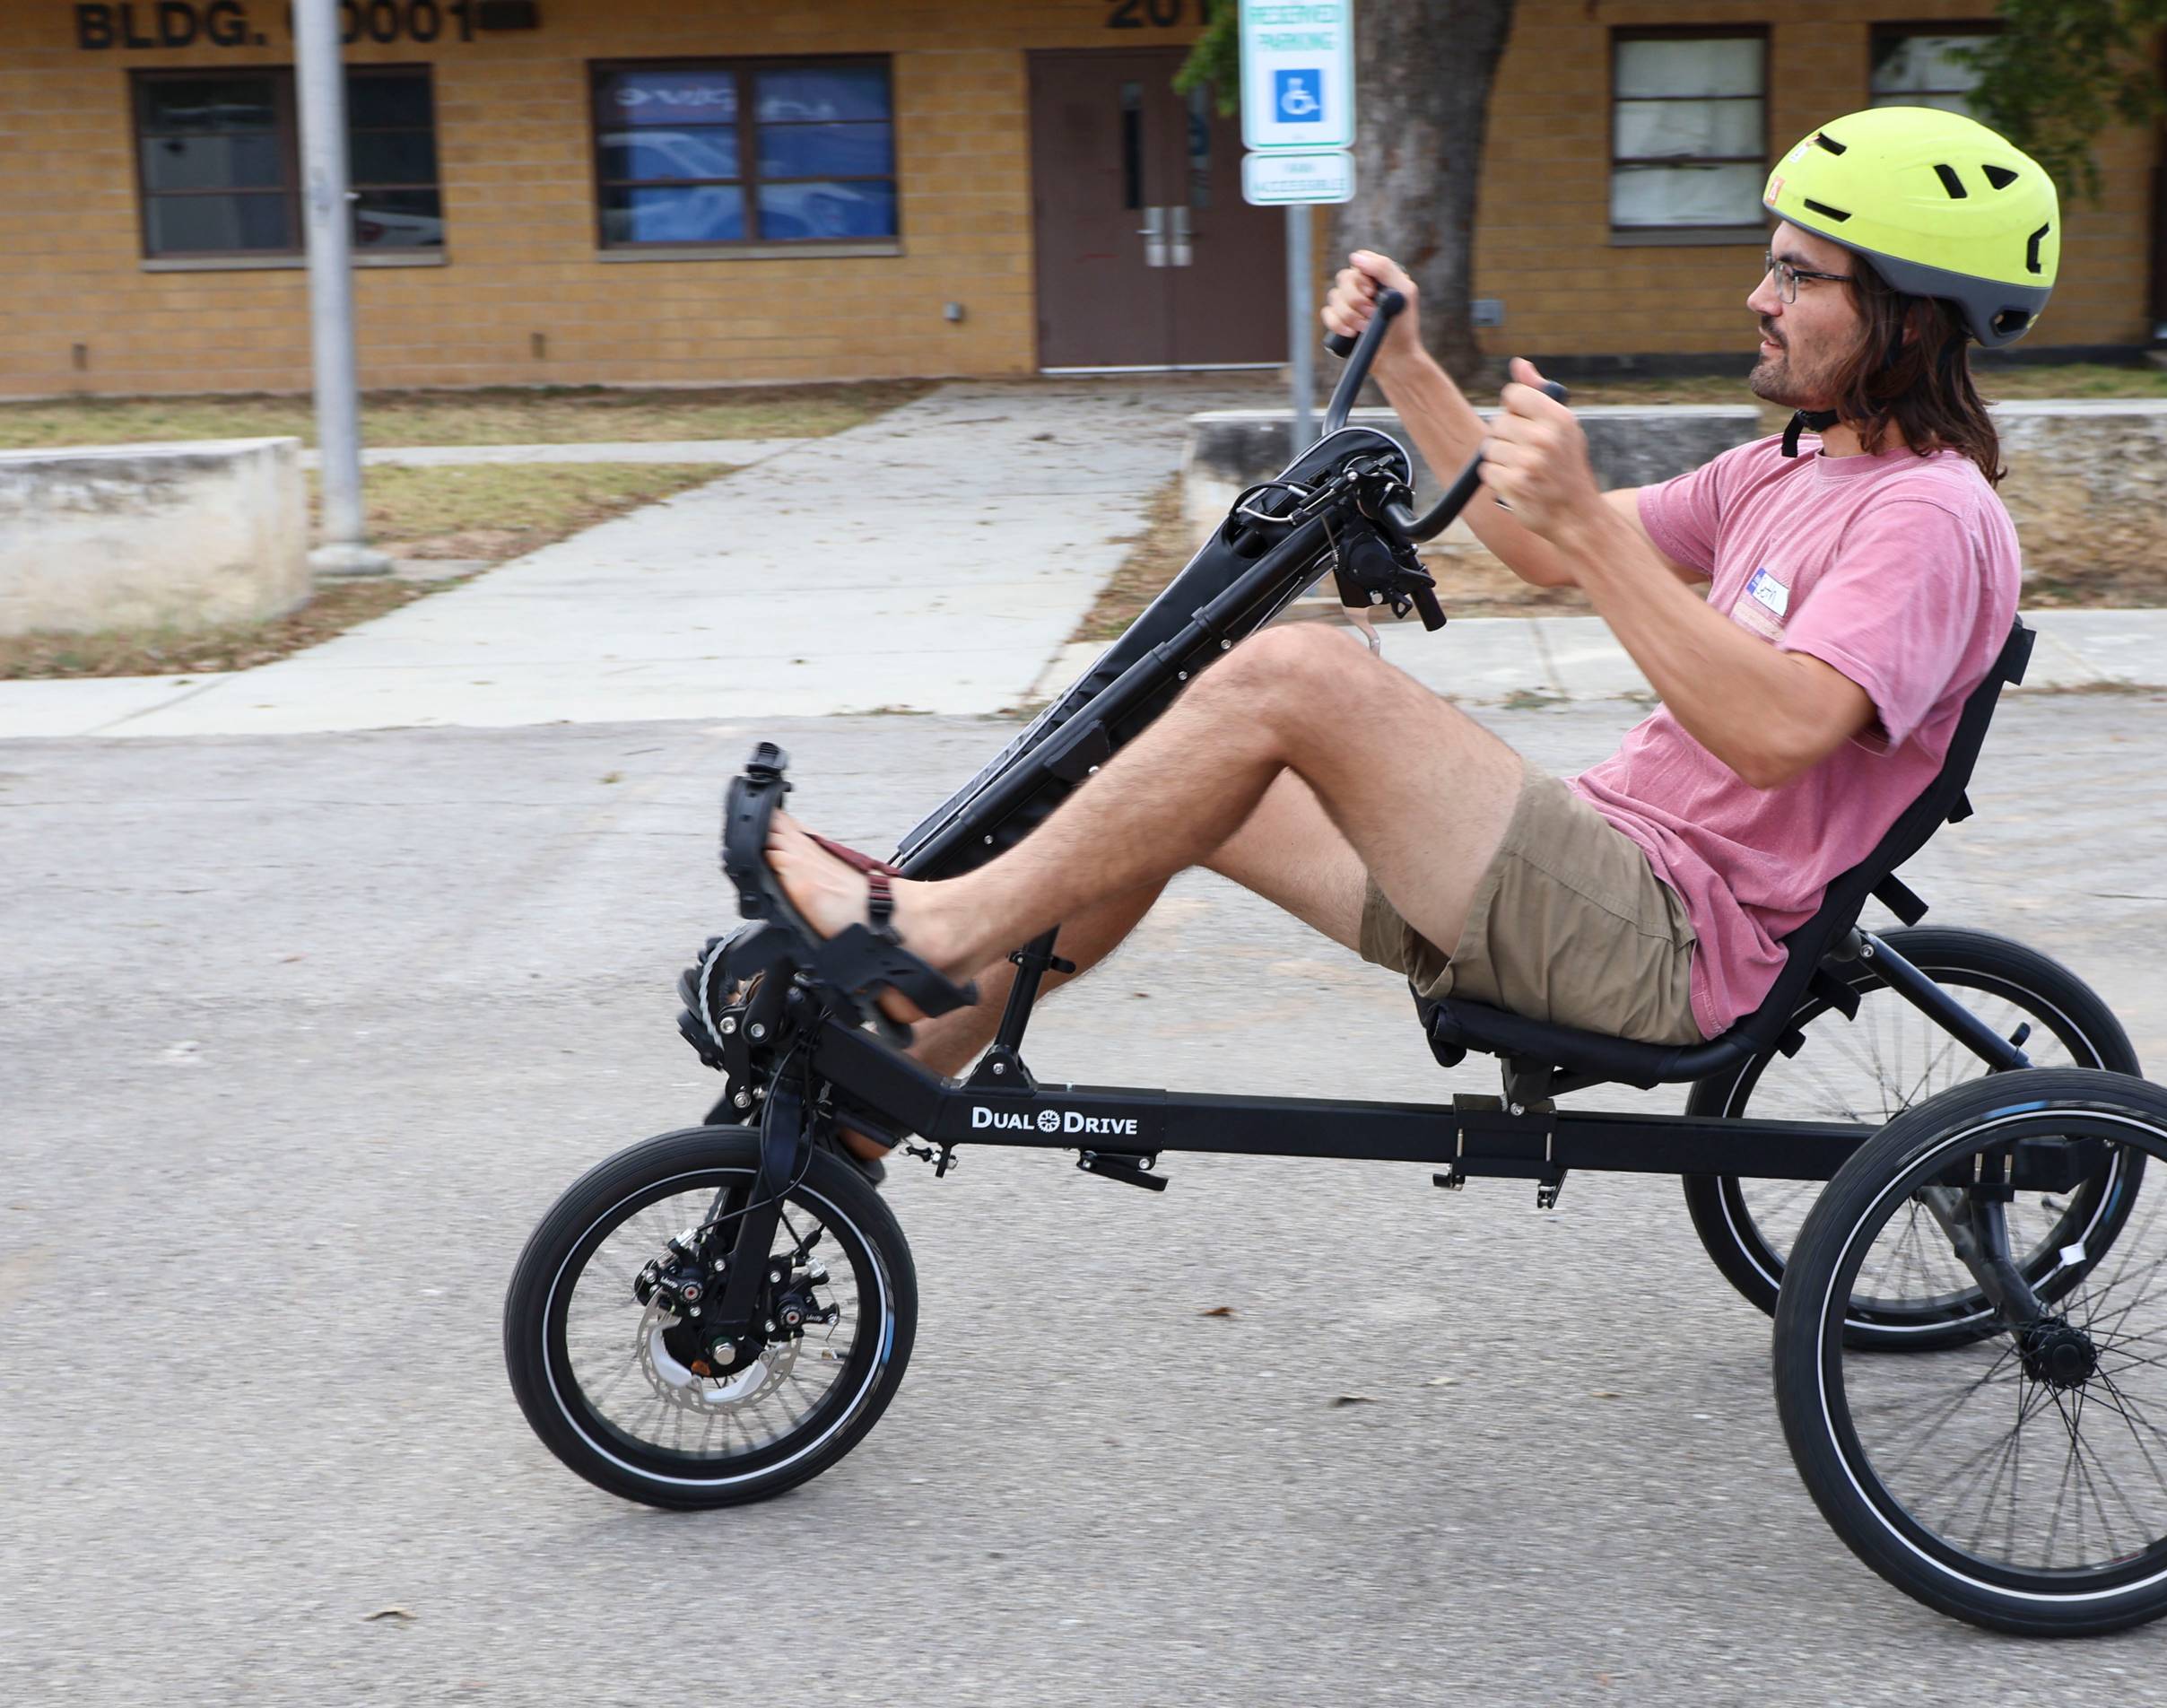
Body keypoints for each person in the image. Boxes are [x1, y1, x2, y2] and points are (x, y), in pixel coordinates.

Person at [764, 107, 2062, 1163]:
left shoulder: (1928, 520)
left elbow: (1781, 730)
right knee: (1163, 776)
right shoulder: (1789, 467)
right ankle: (885, 1101)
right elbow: (1535, 540)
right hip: (1599, 871)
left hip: (1665, 938)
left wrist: (1596, 534)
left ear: (1909, 309)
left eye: (1796, 272)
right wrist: (1411, 371)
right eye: (1769, 261)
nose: (1757, 296)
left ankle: (920, 933)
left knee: (1297, 673)